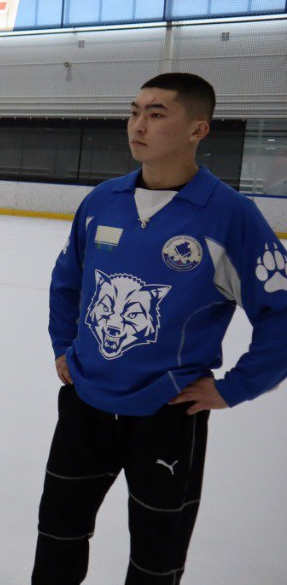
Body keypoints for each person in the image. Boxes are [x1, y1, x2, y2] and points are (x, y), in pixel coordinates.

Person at [32, 73, 287, 585]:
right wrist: (65, 345)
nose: (138, 125)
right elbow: (67, 282)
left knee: (156, 558)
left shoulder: (230, 215)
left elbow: (280, 313)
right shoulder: (102, 200)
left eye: (156, 113)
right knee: (58, 539)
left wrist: (234, 387)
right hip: (86, 404)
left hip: (168, 414)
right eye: (134, 111)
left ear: (198, 129)